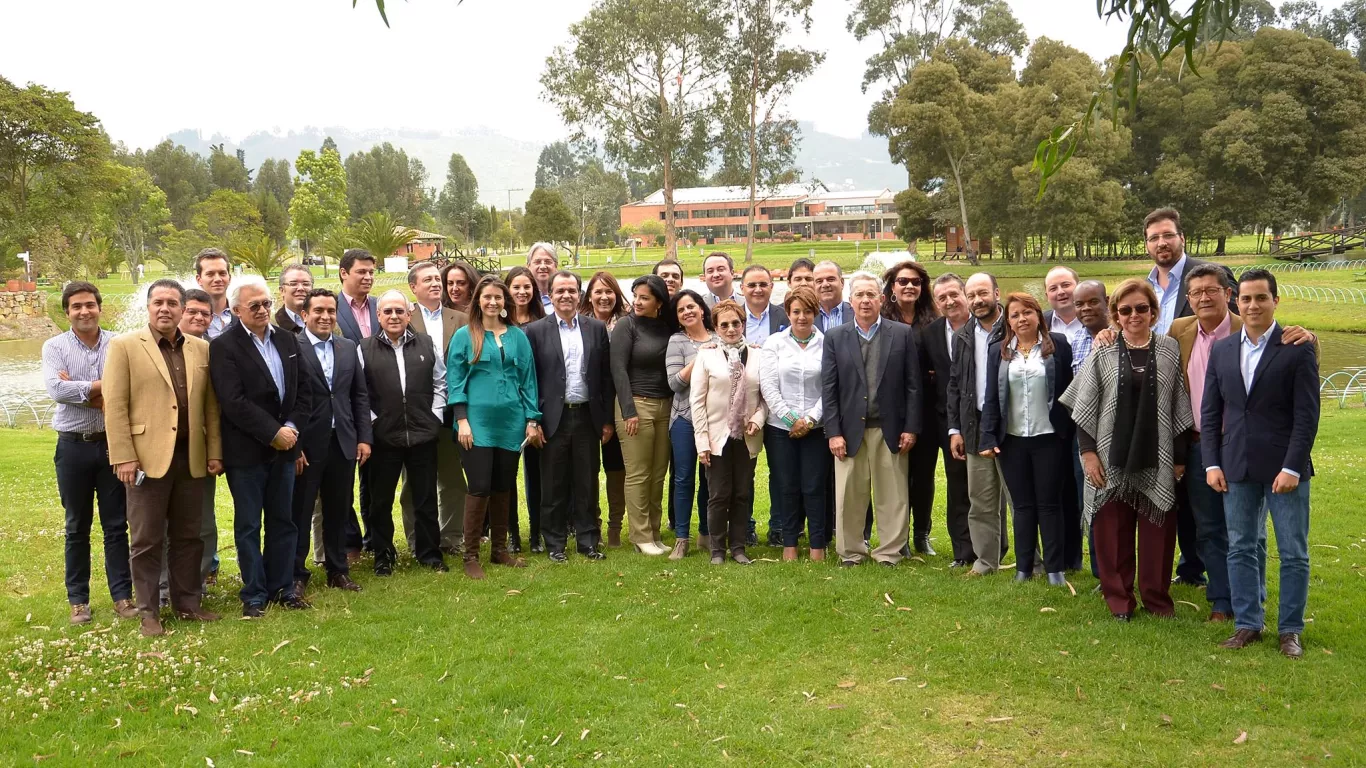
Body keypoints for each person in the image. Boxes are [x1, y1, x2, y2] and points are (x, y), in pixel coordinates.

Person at [1060, 279, 1193, 622]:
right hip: (1108, 456)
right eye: (1125, 310)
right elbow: (1084, 405)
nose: (1134, 315)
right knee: (1111, 533)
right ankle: (1119, 600)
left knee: (1158, 533)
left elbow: (1178, 405)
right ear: (1115, 315)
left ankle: (1156, 598)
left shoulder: (1167, 349)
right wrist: (1088, 454)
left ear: (1153, 312)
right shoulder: (1102, 350)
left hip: (1157, 454)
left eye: (1142, 308)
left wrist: (1178, 459)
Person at [1203, 269, 1320, 658]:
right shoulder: (1222, 350)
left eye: (1261, 298)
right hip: (1235, 465)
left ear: (1275, 301)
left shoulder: (1297, 348)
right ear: (1236, 301)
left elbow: (1307, 416)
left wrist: (1292, 466)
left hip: (1285, 468)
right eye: (1246, 299)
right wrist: (1211, 463)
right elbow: (1210, 413)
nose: (1252, 305)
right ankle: (1248, 624)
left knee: (1293, 551)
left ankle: (1290, 630)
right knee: (1240, 546)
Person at [105, 279, 223, 636]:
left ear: (182, 309)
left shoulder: (201, 349)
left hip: (191, 458)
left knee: (190, 535)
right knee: (146, 539)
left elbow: (211, 408)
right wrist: (124, 456)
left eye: (173, 303)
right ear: (148, 306)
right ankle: (148, 611)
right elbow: (115, 406)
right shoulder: (125, 346)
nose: (165, 309)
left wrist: (214, 452)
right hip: (145, 460)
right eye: (159, 302)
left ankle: (187, 603)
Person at [210, 274, 312, 617]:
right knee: (249, 525)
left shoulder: (287, 340)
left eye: (267, 303)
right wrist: (273, 432)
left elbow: (303, 392)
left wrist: (292, 429)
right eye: (255, 305)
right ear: (237, 309)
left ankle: (283, 587)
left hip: (285, 449)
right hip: (247, 452)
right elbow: (233, 401)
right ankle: (254, 593)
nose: (263, 310)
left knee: (284, 521)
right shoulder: (223, 346)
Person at [43, 281, 136, 625]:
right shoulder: (54, 347)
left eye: (90, 305)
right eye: (77, 306)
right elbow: (56, 389)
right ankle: (78, 601)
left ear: (100, 308)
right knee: (76, 526)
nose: (84, 311)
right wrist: (104, 389)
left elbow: (132, 387)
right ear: (67, 312)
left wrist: (80, 389)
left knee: (116, 526)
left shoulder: (120, 344)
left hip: (113, 444)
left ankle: (123, 597)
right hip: (72, 446)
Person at [822, 272, 921, 567]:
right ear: (850, 300)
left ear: (881, 299)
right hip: (849, 430)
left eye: (871, 295)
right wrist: (833, 432)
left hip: (889, 428)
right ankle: (851, 552)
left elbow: (913, 385)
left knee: (892, 494)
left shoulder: (901, 334)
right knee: (849, 495)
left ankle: (889, 552)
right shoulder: (835, 337)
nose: (865, 300)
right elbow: (829, 389)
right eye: (859, 295)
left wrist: (911, 428)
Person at [448, 275, 542, 578]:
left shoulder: (517, 336)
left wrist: (531, 420)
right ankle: (471, 555)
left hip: (511, 422)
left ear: (505, 302)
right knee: (479, 486)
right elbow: (455, 380)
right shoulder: (465, 335)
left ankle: (500, 550)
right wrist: (462, 420)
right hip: (476, 423)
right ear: (478, 300)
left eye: (498, 298)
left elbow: (528, 380)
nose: (493, 302)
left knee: (504, 484)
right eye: (487, 297)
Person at [979, 293, 1074, 585]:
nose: (1022, 319)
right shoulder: (998, 351)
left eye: (1027, 313)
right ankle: (1023, 568)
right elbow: (992, 397)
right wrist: (987, 436)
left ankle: (1055, 568)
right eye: (1015, 315)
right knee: (1021, 505)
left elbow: (1068, 390)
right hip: (1013, 439)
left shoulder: (1058, 345)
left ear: (1038, 315)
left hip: (1050, 437)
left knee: (1049, 504)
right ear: (1008, 320)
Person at [356, 290, 448, 575]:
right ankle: (383, 556)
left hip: (422, 433)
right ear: (379, 316)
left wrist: (435, 415)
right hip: (383, 437)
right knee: (380, 501)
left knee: (425, 498)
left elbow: (440, 382)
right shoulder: (364, 347)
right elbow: (360, 393)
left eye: (400, 311)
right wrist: (373, 422)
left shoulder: (426, 343)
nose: (394, 316)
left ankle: (429, 553)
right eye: (388, 312)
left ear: (409, 314)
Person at [525, 271, 615, 562]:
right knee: (553, 484)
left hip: (587, 416)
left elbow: (604, 378)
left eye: (572, 290)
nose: (566, 295)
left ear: (580, 294)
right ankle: (555, 544)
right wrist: (534, 420)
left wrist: (606, 420)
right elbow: (530, 380)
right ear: (550, 294)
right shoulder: (536, 331)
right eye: (560, 290)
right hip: (553, 419)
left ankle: (588, 542)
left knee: (587, 482)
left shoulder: (595, 328)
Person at [291, 289, 372, 592]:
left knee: (339, 508)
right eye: (318, 311)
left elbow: (359, 396)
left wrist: (364, 437)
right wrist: (295, 446)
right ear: (304, 315)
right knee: (299, 509)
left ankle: (338, 570)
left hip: (343, 441)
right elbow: (286, 401)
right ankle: (296, 574)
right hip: (307, 445)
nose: (325, 317)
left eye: (330, 311)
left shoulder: (348, 347)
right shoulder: (292, 347)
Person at [691, 300, 767, 565]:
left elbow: (765, 397)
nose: (731, 328)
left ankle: (738, 547)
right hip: (716, 436)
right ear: (716, 327)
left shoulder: (758, 354)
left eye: (736, 323)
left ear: (743, 324)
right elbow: (697, 401)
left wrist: (758, 419)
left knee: (741, 493)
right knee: (718, 494)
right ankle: (717, 550)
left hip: (747, 434)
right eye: (725, 324)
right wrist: (702, 442)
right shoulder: (706, 355)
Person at [403, 261, 470, 558]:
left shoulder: (462, 319)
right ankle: (417, 539)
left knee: (453, 479)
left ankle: (451, 538)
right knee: (413, 485)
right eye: (427, 279)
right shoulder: (402, 316)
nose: (435, 284)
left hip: (449, 412)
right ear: (413, 287)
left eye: (436, 279)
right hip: (413, 414)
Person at [760, 286, 831, 562]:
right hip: (780, 428)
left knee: (814, 487)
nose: (802, 317)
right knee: (787, 486)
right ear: (788, 313)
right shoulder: (774, 344)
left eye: (808, 311)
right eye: (796, 311)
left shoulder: (827, 343)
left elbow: (830, 387)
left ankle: (817, 546)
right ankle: (789, 544)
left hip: (816, 427)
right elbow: (768, 386)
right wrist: (792, 420)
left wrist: (810, 419)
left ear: (815, 313)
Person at [947, 273, 1010, 576]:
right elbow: (955, 386)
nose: (977, 300)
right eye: (971, 296)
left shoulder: (1015, 326)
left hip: (1012, 426)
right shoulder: (963, 336)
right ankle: (985, 562)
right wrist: (955, 429)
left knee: (1021, 499)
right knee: (981, 500)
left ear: (997, 293)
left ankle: (1033, 562)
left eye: (983, 293)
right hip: (975, 426)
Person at [610, 275, 675, 555]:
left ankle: (655, 533)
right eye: (635, 295)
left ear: (659, 302)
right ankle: (640, 535)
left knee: (659, 474)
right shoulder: (627, 325)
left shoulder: (669, 327)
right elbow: (618, 369)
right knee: (638, 473)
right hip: (636, 405)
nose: (637, 301)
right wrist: (628, 411)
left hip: (666, 407)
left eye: (644, 297)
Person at [881, 260, 940, 556]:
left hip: (927, 410)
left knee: (923, 474)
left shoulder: (933, 320)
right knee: (895, 476)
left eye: (915, 282)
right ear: (892, 287)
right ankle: (898, 536)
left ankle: (922, 534)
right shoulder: (881, 320)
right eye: (903, 281)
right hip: (891, 409)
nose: (909, 286)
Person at [925, 274, 973, 568]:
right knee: (957, 487)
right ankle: (963, 552)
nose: (949, 301)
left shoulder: (985, 327)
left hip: (984, 419)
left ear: (965, 293)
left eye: (953, 294)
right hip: (947, 420)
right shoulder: (931, 333)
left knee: (986, 488)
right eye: (941, 298)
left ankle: (994, 546)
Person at [175, 289, 221, 593]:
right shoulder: (141, 346)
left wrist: (215, 450)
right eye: (192, 311)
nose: (198, 318)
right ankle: (163, 588)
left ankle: (199, 583)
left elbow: (214, 407)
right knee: (161, 523)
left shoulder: (209, 351)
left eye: (205, 313)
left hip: (199, 448)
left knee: (203, 521)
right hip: (158, 449)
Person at [665, 289, 716, 559]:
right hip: (684, 418)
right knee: (684, 479)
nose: (687, 312)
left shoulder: (719, 337)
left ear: (701, 308)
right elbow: (674, 383)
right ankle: (681, 538)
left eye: (691, 306)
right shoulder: (677, 342)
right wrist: (701, 358)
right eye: (681, 310)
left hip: (714, 421)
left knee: (710, 479)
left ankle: (706, 535)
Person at [335, 248, 380, 556]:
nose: (367, 277)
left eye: (371, 272)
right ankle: (349, 542)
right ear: (343, 273)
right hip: (346, 406)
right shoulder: (330, 309)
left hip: (383, 406)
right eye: (361, 272)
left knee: (374, 479)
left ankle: (375, 539)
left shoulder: (382, 307)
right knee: (341, 483)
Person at [741, 263, 788, 546]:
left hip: (780, 405)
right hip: (745, 407)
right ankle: (745, 526)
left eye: (763, 284)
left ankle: (779, 528)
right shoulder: (732, 316)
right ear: (742, 288)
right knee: (744, 471)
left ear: (772, 286)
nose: (758, 289)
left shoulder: (786, 315)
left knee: (779, 471)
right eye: (752, 285)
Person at [581, 270, 629, 544]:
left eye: (608, 291)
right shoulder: (580, 324)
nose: (603, 296)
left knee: (616, 468)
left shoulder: (627, 323)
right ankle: (592, 524)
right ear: (589, 295)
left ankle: (614, 527)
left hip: (617, 406)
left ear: (616, 294)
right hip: (587, 407)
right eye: (598, 291)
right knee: (587, 470)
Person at [504, 265, 547, 552]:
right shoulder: (497, 324)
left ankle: (536, 534)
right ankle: (512, 535)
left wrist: (537, 415)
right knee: (506, 476)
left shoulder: (544, 324)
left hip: (536, 409)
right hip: (506, 411)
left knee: (536, 476)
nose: (521, 292)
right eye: (516, 286)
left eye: (526, 286)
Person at [1143, 207, 1236, 336]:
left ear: (1182, 239)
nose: (1161, 243)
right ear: (1146, 246)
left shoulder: (1214, 274)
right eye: (1153, 238)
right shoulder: (1144, 288)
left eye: (1168, 235)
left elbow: (1237, 326)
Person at [1069, 280, 1109, 578]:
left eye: (1092, 302)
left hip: (1117, 435)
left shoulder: (1124, 335)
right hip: (1084, 436)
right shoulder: (1077, 340)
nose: (1085, 309)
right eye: (1079, 304)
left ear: (1106, 301)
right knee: (1092, 502)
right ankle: (1101, 572)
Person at [194, 248, 234, 340]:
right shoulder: (189, 319)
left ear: (229, 278)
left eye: (222, 273)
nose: (217, 279)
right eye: (210, 274)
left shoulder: (242, 314)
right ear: (199, 279)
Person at [1043, 266, 1083, 337]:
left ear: (1079, 287)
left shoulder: (1103, 319)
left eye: (1066, 285)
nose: (1060, 292)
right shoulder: (1039, 323)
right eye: (1053, 288)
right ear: (1047, 296)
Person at [813, 261, 852, 331]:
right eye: (819, 281)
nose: (825, 284)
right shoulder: (807, 316)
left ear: (842, 283)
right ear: (814, 286)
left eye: (830, 279)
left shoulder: (856, 313)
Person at [275, 264, 313, 333]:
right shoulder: (272, 327)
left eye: (306, 284)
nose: (301, 288)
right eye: (293, 284)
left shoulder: (326, 321)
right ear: (282, 291)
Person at [527, 242, 559, 312]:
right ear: (528, 266)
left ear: (556, 266)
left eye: (548, 262)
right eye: (537, 262)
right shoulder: (522, 297)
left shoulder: (567, 295)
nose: (543, 266)